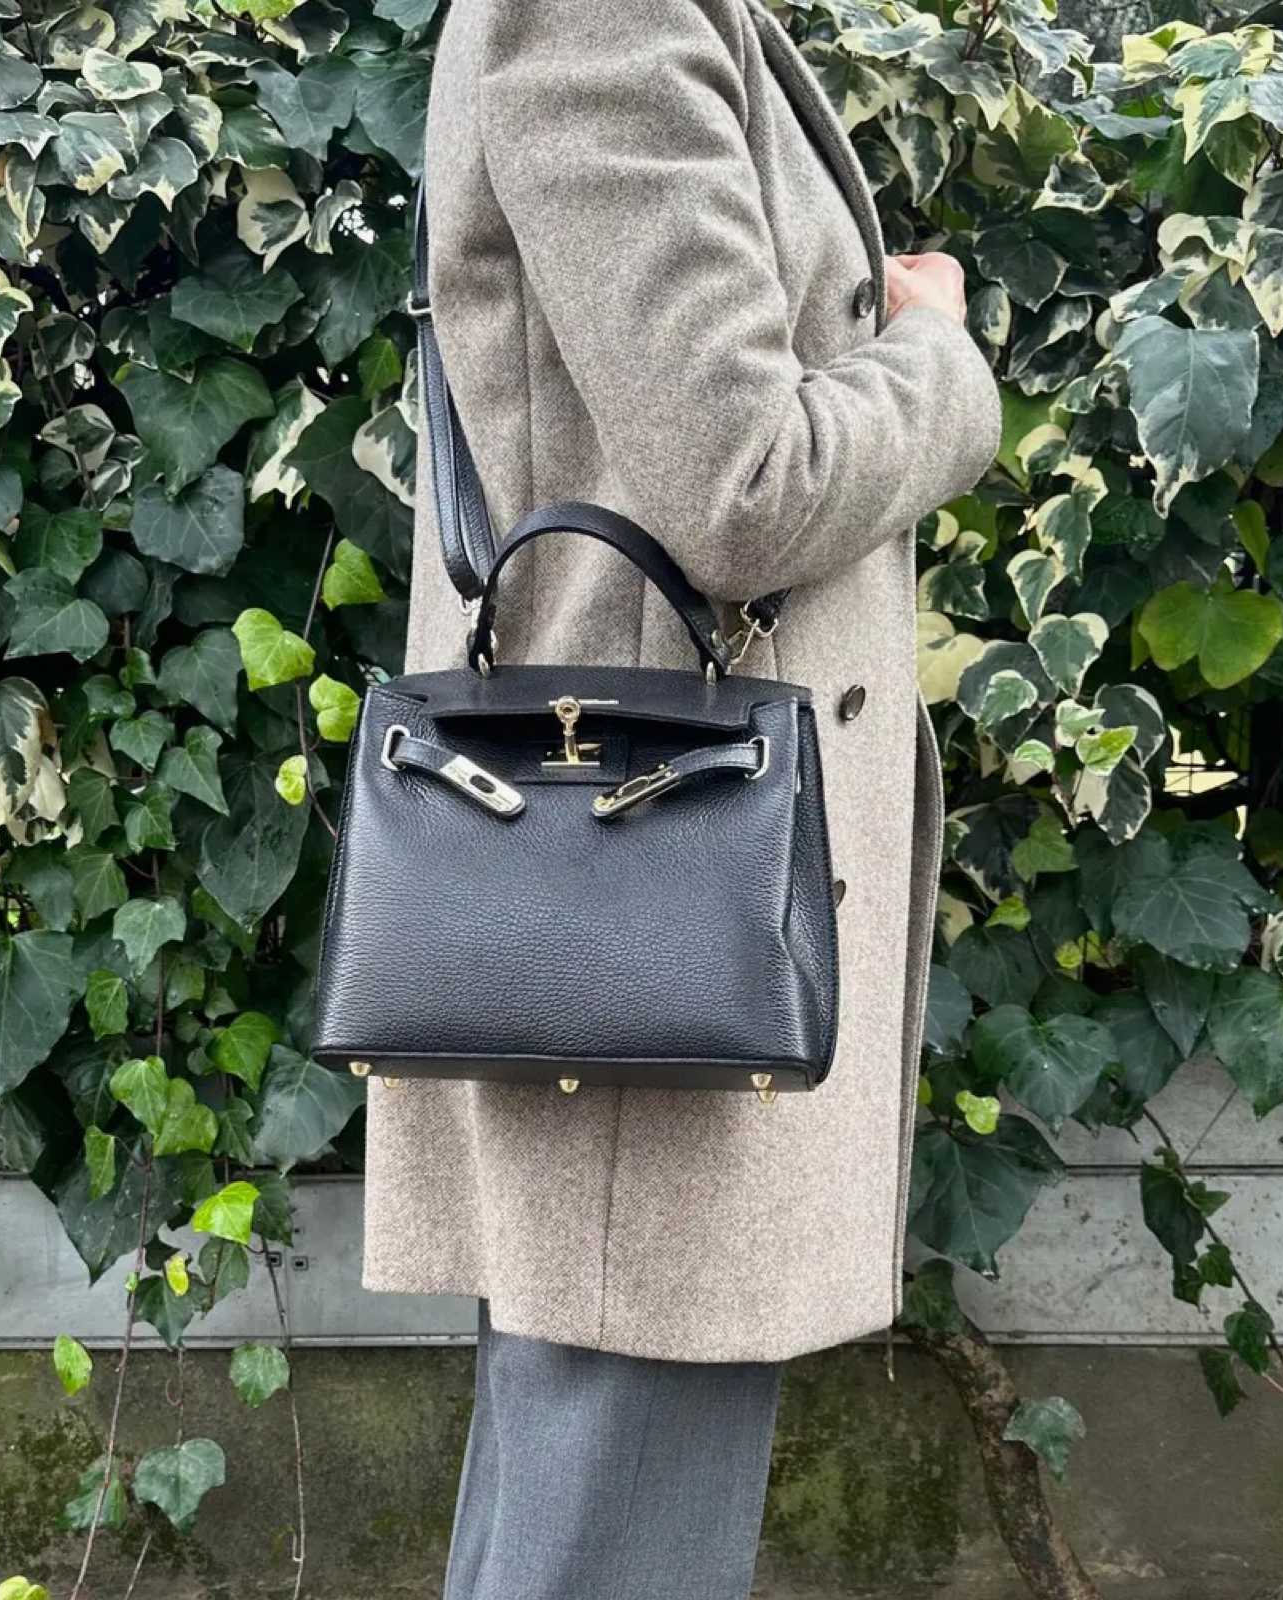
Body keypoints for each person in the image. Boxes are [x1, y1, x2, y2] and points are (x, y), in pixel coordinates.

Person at [360, 2, 1002, 1595]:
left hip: (641, 877)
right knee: (611, 1531)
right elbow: (745, 487)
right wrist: (935, 354)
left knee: (583, 1516)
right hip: (639, 880)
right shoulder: (604, 15)